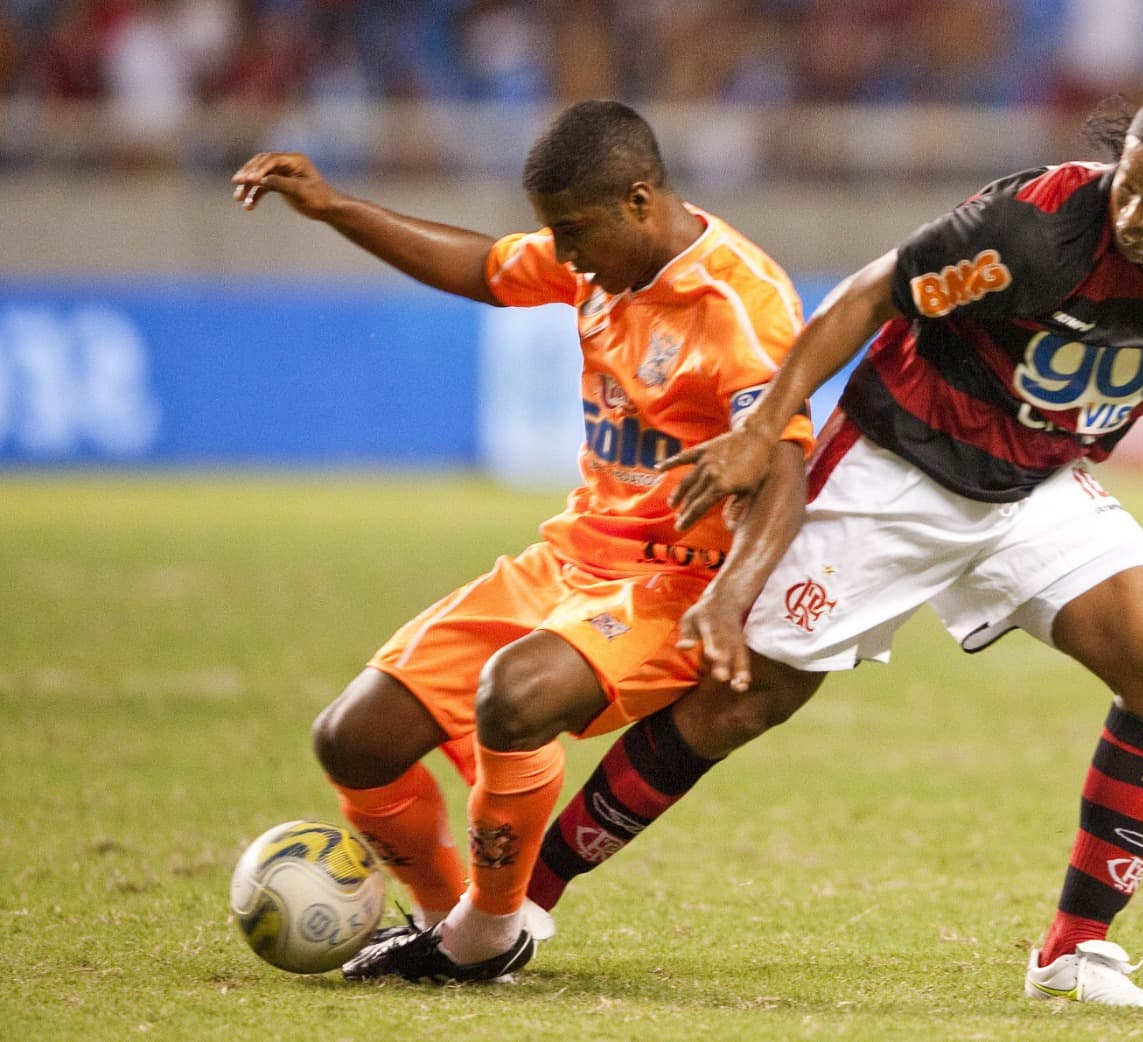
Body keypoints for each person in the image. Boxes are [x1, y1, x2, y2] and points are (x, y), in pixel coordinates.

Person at [521, 42, 1143, 1007]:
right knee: (746, 696)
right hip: (898, 467)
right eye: (1126, 181)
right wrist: (767, 422)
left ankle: (1072, 947)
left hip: (1035, 485)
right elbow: (872, 293)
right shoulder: (1030, 234)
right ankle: (527, 899)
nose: (1133, 211)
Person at [229, 99, 816, 982]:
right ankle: (448, 919)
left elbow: (784, 470)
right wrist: (336, 206)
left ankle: (487, 934)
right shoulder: (596, 261)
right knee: (353, 741)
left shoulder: (740, 305)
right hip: (567, 561)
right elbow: (483, 265)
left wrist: (732, 600)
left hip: (671, 583)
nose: (564, 256)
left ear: (639, 200)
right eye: (554, 235)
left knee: (515, 694)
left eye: (573, 233)